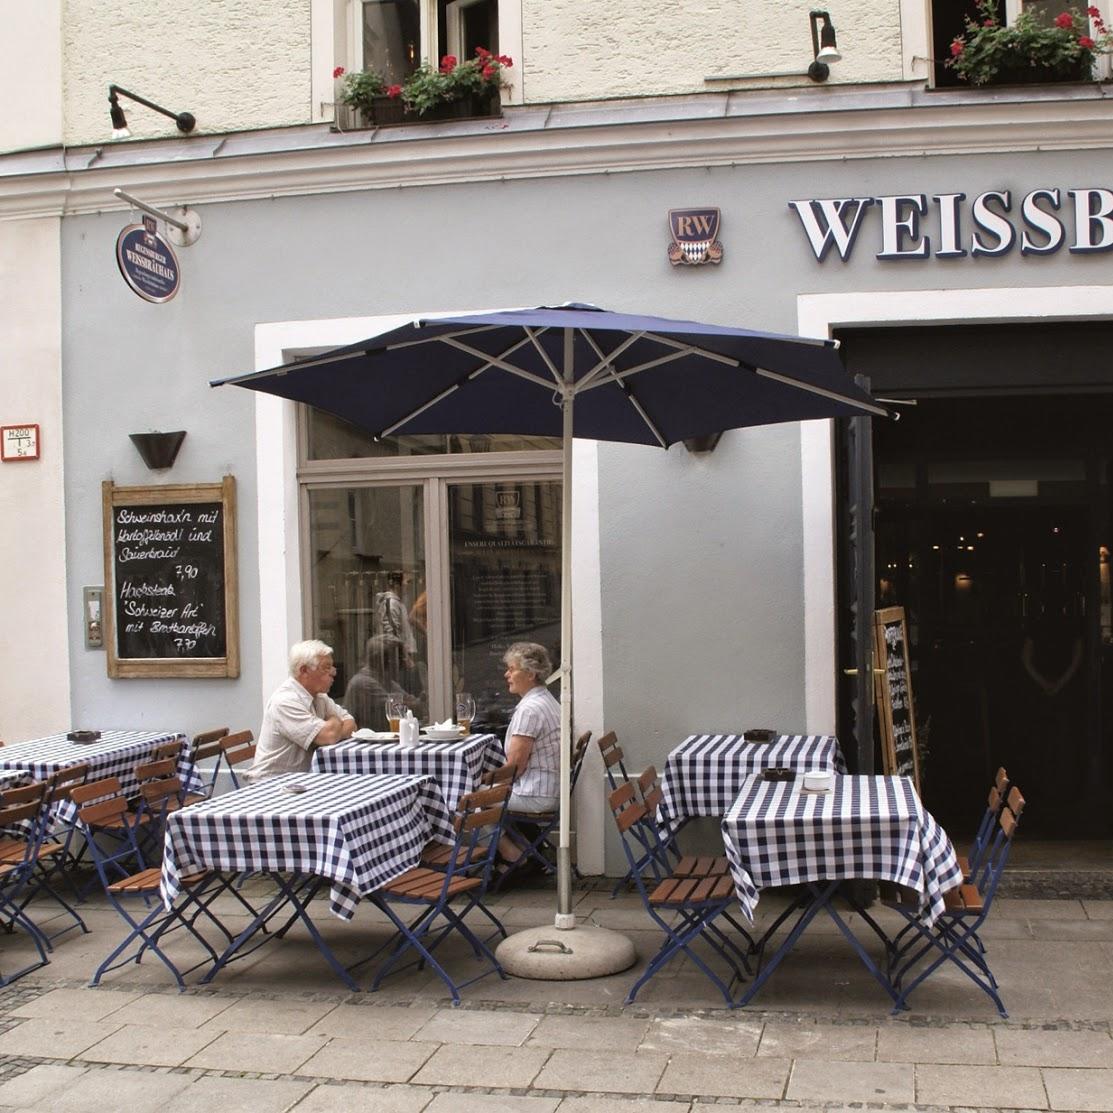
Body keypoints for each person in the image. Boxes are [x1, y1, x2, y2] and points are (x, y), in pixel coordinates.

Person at [252, 639, 356, 778]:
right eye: (326, 667)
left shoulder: (319, 696)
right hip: (272, 785)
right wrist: (334, 719)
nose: (333, 673)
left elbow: (351, 724)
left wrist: (334, 729)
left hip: (302, 780)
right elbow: (329, 736)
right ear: (304, 670)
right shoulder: (285, 701)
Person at [497, 641, 560, 864]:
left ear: (531, 674)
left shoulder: (530, 709)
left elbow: (516, 767)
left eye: (512, 669)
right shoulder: (547, 700)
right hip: (548, 788)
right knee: (484, 793)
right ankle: (528, 850)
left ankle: (513, 856)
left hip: (536, 793)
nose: (507, 674)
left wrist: (486, 781)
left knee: (466, 799)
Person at [342, 633, 411, 731]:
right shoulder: (364, 682)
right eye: (400, 658)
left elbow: (408, 702)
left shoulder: (384, 680)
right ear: (387, 660)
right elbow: (400, 709)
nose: (404, 663)